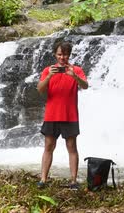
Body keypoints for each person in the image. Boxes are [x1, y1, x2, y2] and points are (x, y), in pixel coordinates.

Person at [36, 41, 88, 189]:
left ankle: (73, 180)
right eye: (59, 54)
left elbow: (85, 86)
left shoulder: (76, 69)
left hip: (70, 115)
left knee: (72, 147)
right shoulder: (48, 70)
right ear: (55, 55)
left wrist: (74, 76)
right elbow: (40, 89)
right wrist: (48, 77)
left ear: (69, 55)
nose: (62, 57)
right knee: (48, 146)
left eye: (65, 54)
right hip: (51, 115)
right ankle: (43, 179)